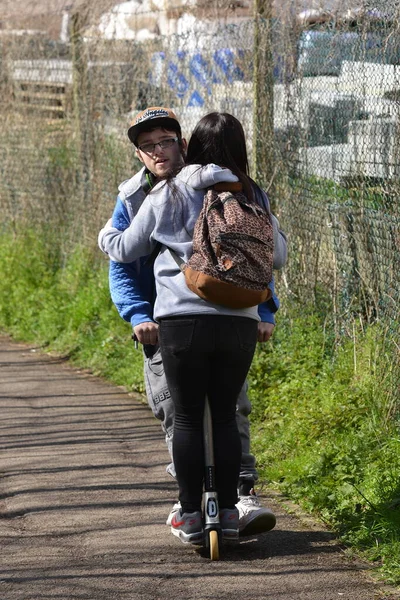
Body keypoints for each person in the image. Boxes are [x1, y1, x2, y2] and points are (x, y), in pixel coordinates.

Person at [100, 108, 287, 542]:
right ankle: (226, 511)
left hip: (182, 319)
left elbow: (125, 249)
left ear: (188, 145)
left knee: (185, 418)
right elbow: (274, 257)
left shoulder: (169, 190)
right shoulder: (250, 192)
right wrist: (265, 308)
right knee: (224, 416)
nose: (159, 150)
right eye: (149, 145)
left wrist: (105, 237)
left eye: (165, 141)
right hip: (238, 320)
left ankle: (189, 513)